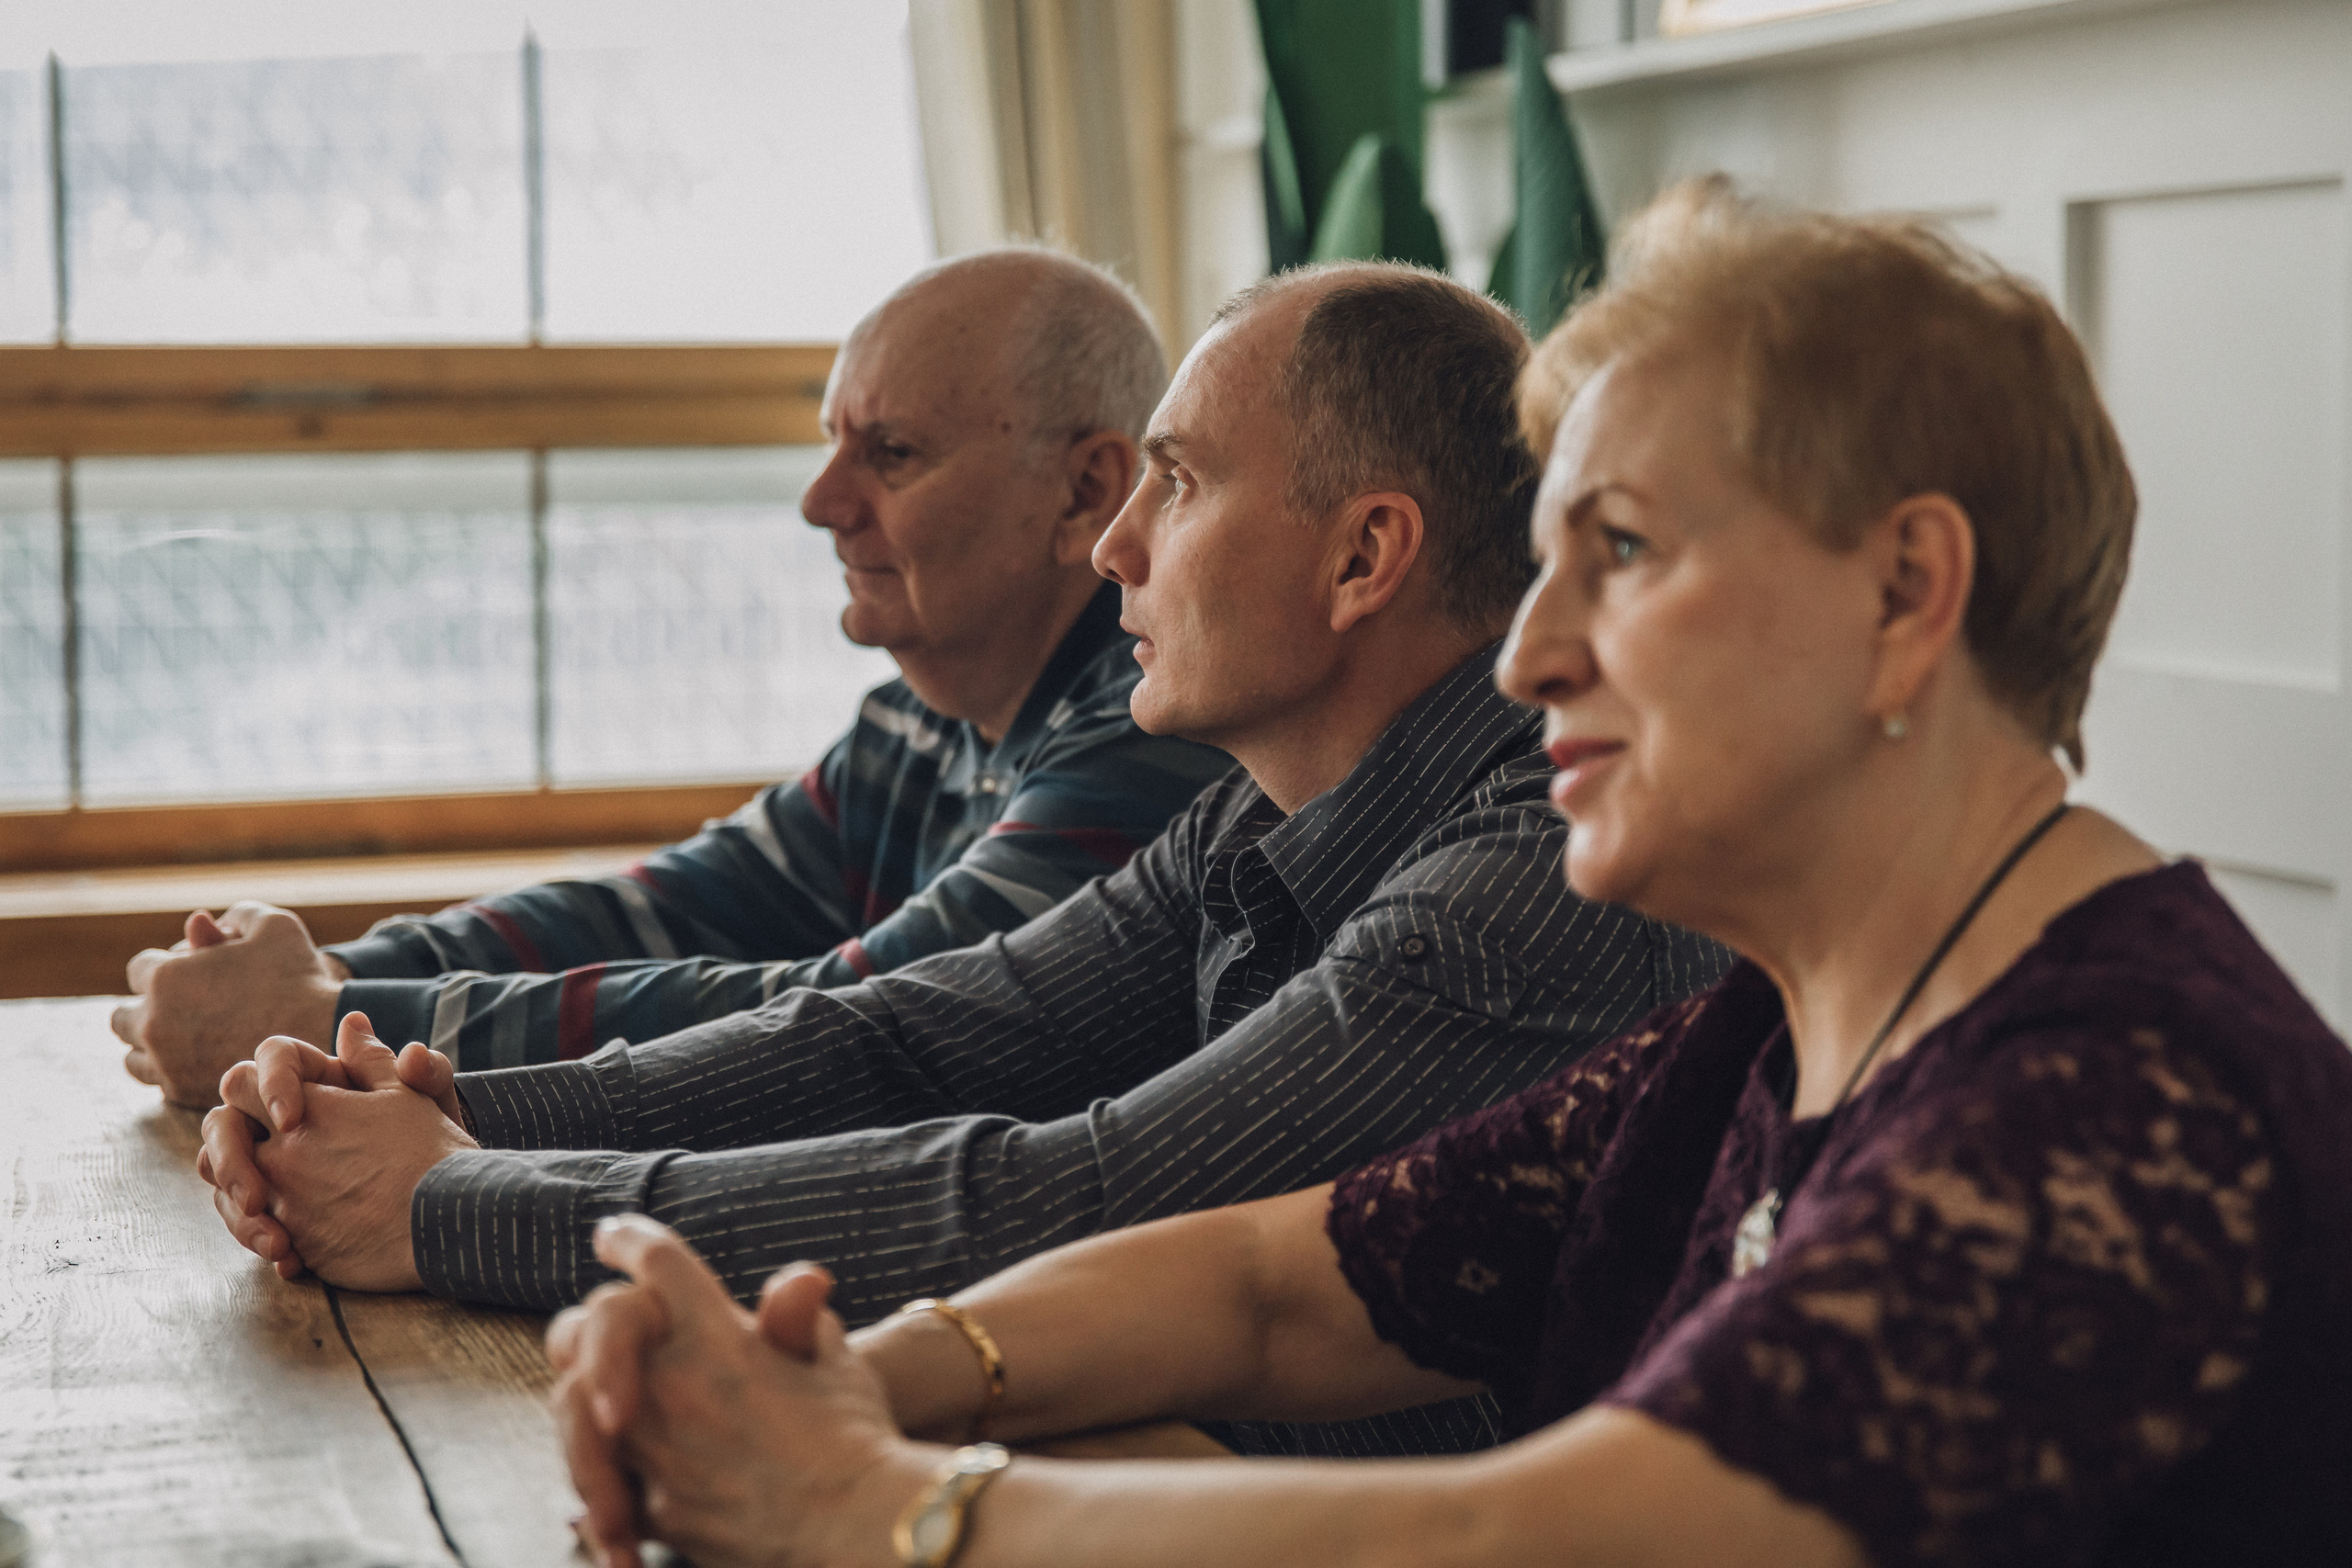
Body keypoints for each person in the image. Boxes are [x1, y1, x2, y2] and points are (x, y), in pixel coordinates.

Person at [536, 181, 2352, 1568]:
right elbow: (1277, 1277)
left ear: (1901, 598)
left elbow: (1535, 1537)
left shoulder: (2107, 1093)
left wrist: (887, 1500)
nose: (1528, 652)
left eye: (1620, 550)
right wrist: (875, 1374)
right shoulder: (1764, 1028)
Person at [199, 259, 1730, 1460]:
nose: (1117, 546)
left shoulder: (1544, 868)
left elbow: (1084, 1198)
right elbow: (906, 1036)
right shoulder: (1261, 804)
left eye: (1177, 483)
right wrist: (416, 1110)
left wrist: (450, 1201)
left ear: (1361, 558)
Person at [112, 248, 1232, 1107]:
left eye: (890, 454)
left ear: (1086, 491)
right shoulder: (915, 725)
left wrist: (335, 1016)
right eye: (832, 441)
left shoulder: (1156, 735)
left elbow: (865, 1020)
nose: (822, 502)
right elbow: (670, 907)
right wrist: (319, 971)